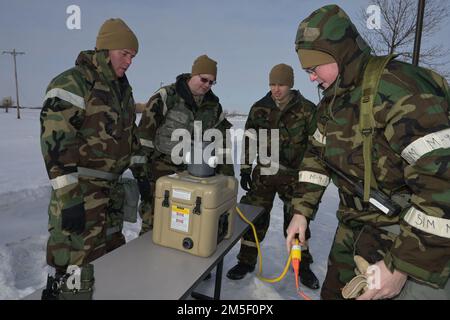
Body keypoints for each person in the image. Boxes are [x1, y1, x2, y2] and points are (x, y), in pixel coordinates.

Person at [287, 4, 450, 300]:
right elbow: (317, 157)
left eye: (314, 68)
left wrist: (401, 268)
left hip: (406, 238)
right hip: (354, 230)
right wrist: (301, 211)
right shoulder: (333, 100)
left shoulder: (402, 88)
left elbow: (441, 187)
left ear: (340, 53)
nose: (311, 78)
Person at [40, 18, 148, 299]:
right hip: (81, 195)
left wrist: (142, 175)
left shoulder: (122, 90)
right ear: (104, 49)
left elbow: (130, 138)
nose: (129, 62)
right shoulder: (73, 81)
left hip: (111, 195)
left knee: (110, 265)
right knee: (76, 268)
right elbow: (56, 145)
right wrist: (69, 198)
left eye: (133, 56)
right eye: (124, 54)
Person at [226, 64, 320, 290]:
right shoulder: (259, 108)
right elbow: (249, 139)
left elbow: (315, 147)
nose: (276, 89)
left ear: (291, 84)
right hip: (265, 175)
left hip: (294, 176)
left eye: (281, 84)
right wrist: (246, 168)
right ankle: (245, 261)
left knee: (297, 224)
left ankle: (302, 265)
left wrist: (310, 179)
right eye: (273, 84)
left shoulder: (307, 109)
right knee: (253, 218)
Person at [136, 54, 235, 234]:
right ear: (193, 74)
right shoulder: (167, 96)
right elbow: (144, 134)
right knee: (155, 221)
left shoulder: (214, 106)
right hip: (160, 171)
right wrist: (142, 173)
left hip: (194, 174)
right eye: (204, 79)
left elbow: (221, 142)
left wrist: (227, 178)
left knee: (187, 223)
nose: (207, 85)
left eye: (212, 82)